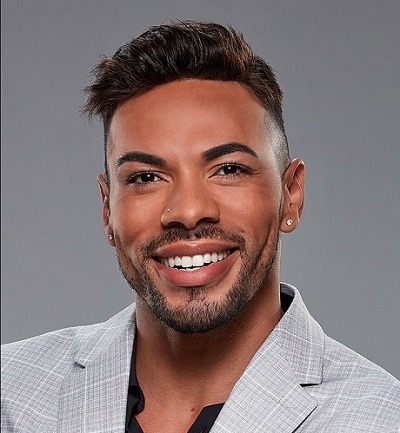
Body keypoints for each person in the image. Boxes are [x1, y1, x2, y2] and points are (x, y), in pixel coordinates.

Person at [1, 20, 399, 433]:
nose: (188, 211)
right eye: (145, 177)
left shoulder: (379, 418)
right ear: (107, 209)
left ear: (291, 194)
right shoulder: (11, 396)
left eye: (228, 169)